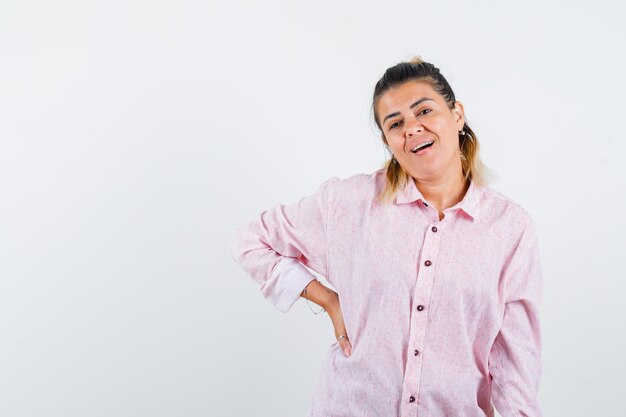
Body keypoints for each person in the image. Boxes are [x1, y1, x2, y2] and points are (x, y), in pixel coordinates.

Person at [230, 56, 544, 417]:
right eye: (396, 123)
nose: (412, 128)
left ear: (457, 114)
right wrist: (329, 301)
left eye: (424, 111)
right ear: (388, 140)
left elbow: (514, 364)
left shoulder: (510, 229)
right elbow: (251, 241)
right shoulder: (349, 203)